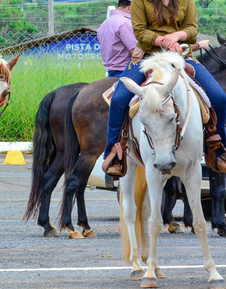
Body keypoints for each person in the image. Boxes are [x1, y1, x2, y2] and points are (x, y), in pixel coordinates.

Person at [102, 0, 226, 176]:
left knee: (219, 97)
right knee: (119, 98)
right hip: (147, 56)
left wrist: (175, 37)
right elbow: (140, 31)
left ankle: (218, 148)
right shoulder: (139, 1)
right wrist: (164, 41)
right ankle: (114, 152)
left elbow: (192, 28)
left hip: (181, 55)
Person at [97, 0, 137, 77]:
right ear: (130, 8)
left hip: (110, 73)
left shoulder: (105, 23)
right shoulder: (125, 23)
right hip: (125, 72)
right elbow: (136, 52)